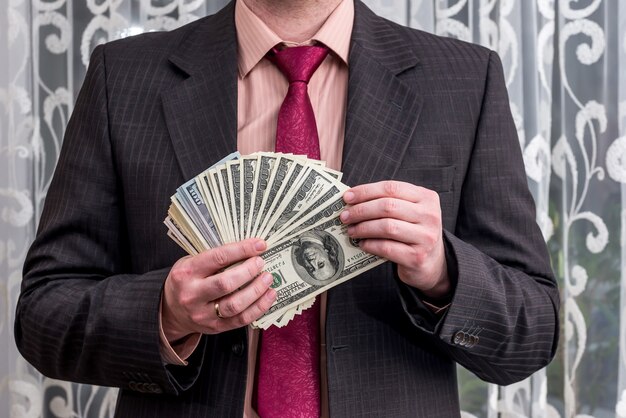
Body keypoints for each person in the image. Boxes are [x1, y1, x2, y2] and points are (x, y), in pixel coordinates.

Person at [14, 0, 560, 417]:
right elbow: (44, 313)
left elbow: (533, 332)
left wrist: (443, 273)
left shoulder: (464, 80)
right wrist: (165, 314)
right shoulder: (124, 76)